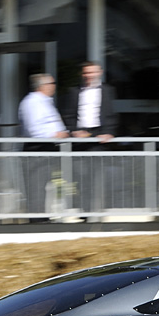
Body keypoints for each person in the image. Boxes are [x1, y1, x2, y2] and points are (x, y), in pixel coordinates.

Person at [62, 61, 118, 213]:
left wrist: (109, 132)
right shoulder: (74, 91)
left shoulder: (108, 90)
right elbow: (69, 115)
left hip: (100, 137)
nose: (89, 76)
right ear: (82, 74)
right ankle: (85, 211)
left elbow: (111, 114)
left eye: (92, 72)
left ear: (100, 72)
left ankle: (99, 210)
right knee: (81, 177)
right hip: (80, 138)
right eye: (86, 72)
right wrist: (74, 131)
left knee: (99, 177)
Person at [19, 73, 69, 213]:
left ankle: (44, 216)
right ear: (42, 86)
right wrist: (56, 135)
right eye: (52, 84)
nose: (54, 87)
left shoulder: (45, 101)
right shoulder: (32, 102)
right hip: (37, 149)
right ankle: (37, 220)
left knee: (44, 185)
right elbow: (34, 130)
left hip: (48, 148)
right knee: (35, 186)